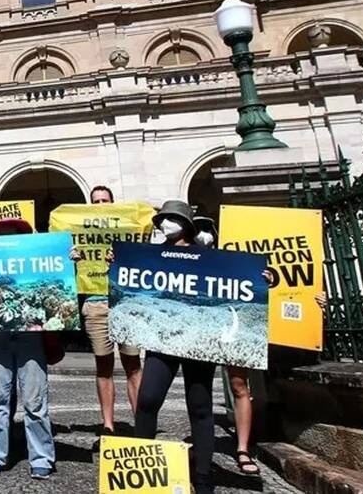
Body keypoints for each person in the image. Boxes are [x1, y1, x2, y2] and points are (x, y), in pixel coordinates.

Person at [218, 213, 327, 479]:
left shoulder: (311, 259)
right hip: (242, 323)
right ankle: (243, 448)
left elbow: (306, 287)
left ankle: (264, 433)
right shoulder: (225, 255)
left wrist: (320, 303)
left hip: (282, 328)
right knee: (239, 385)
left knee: (272, 383)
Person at [132, 200, 218, 494]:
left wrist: (267, 278)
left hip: (198, 339)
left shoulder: (209, 256)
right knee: (147, 398)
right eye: (162, 219)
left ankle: (204, 476)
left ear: (186, 224)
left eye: (171, 218)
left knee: (200, 405)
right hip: (163, 337)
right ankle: (142, 468)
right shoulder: (150, 255)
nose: (165, 223)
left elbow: (237, 281)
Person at [0, 218, 55, 480]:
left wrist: (70, 261)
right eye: (2, 235)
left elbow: (58, 276)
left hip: (30, 337)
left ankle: (42, 457)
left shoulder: (35, 265)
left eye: (12, 234)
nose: (7, 239)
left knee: (35, 401)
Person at [67, 185, 142, 443]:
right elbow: (64, 277)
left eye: (105, 200)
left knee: (133, 364)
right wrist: (70, 260)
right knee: (103, 366)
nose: (100, 204)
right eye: (95, 201)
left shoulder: (128, 231)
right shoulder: (77, 235)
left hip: (126, 303)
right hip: (95, 303)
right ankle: (108, 425)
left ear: (113, 203)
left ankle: (141, 424)